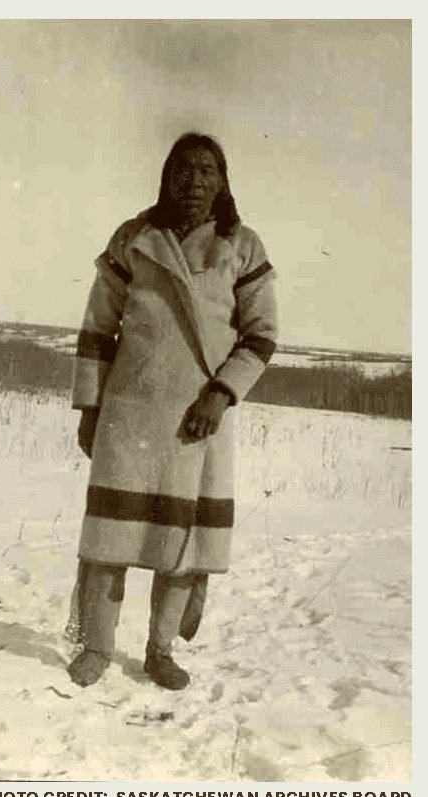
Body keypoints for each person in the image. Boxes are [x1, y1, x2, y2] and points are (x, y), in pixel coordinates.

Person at [67, 132, 278, 691]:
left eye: (207, 170)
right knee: (112, 538)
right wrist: (90, 408)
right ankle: (96, 646)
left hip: (197, 420)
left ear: (223, 180)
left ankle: (159, 651)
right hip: (129, 413)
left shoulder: (243, 246)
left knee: (180, 545)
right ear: (166, 176)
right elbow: (96, 328)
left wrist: (220, 394)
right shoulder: (134, 237)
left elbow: (261, 336)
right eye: (183, 170)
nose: (194, 181)